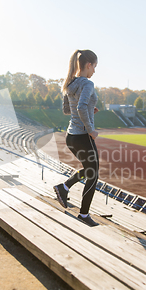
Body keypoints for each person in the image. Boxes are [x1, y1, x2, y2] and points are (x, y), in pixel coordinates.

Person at [53, 49, 100, 227]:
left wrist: (89, 109)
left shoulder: (70, 83)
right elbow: (80, 107)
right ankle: (84, 214)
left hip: (71, 136)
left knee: (90, 170)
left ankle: (63, 188)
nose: (94, 71)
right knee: (93, 174)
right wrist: (91, 130)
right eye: (94, 66)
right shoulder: (88, 84)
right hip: (82, 136)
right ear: (88, 65)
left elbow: (68, 110)